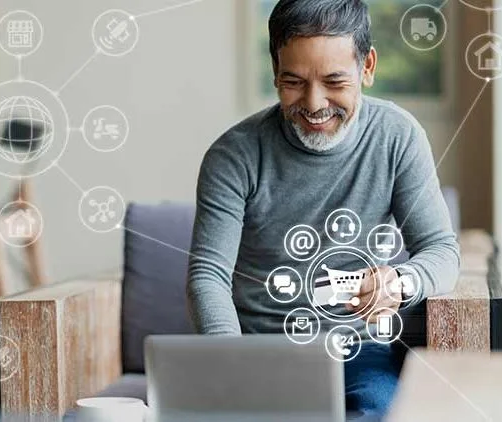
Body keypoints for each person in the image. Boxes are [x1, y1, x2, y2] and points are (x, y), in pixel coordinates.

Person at [186, 0, 460, 417]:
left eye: (334, 81)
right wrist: (232, 361)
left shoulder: (397, 137)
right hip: (257, 351)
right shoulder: (233, 155)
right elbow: (208, 275)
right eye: (293, 82)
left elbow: (442, 251)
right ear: (275, 69)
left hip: (360, 351)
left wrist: (402, 282)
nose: (314, 104)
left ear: (367, 67)